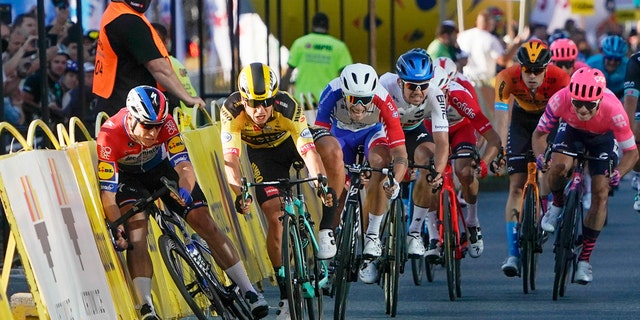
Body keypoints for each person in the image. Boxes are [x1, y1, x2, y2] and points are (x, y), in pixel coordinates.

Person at [97, 85, 269, 320]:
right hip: (129, 179)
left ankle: (248, 290)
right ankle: (145, 306)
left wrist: (185, 192)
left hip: (161, 169)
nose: (153, 134)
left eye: (157, 127)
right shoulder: (109, 134)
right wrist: (116, 224)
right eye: (147, 126)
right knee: (136, 232)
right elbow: (108, 194)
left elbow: (184, 166)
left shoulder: (167, 123)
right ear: (132, 117)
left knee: (204, 221)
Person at [220, 63, 337, 320]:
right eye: (253, 103)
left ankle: (324, 231)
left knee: (326, 157)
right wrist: (240, 193)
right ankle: (285, 293)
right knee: (275, 217)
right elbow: (231, 160)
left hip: (290, 144)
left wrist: (319, 182)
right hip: (263, 156)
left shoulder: (288, 106)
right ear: (242, 99)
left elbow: (308, 151)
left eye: (266, 102)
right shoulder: (231, 111)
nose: (260, 110)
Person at [533, 67, 638, 284]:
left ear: (599, 100)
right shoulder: (560, 99)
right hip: (571, 131)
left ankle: (584, 260)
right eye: (577, 103)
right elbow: (539, 134)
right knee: (558, 166)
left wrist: (619, 172)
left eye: (589, 105)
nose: (582, 109)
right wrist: (542, 157)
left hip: (603, 137)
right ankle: (558, 204)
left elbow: (632, 152)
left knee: (600, 192)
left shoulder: (614, 110)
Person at [315, 63, 408, 284]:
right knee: (337, 187)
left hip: (372, 135)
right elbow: (319, 137)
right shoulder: (331, 91)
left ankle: (372, 236)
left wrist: (395, 180)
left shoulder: (383, 99)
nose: (358, 106)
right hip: (341, 136)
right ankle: (330, 241)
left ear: (372, 95)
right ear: (344, 94)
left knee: (380, 163)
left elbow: (400, 152)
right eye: (353, 99)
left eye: (364, 100)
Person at [494, 40, 571, 277]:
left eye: (538, 70)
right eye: (527, 69)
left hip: (550, 121)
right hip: (521, 121)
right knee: (516, 185)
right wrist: (501, 150)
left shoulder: (560, 78)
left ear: (548, 68)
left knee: (547, 170)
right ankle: (513, 254)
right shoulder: (506, 77)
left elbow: (567, 117)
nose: (532, 75)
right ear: (520, 67)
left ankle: (546, 208)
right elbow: (501, 117)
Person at [424, 65, 502, 259]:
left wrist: (483, 163)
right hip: (431, 130)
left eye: (442, 94)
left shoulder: (461, 95)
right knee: (428, 176)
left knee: (465, 171)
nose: (438, 99)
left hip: (461, 130)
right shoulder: (419, 98)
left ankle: (472, 221)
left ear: (448, 89)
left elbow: (493, 138)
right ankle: (433, 235)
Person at [379, 49, 449, 259]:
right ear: (400, 82)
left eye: (423, 85)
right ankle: (372, 236)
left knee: (429, 163)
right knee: (378, 167)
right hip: (384, 131)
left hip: (413, 131)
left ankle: (415, 232)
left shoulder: (436, 94)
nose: (418, 91)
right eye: (412, 85)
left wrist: (438, 171)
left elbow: (442, 141)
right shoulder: (385, 85)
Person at [93, 0, 205, 116]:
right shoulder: (127, 20)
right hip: (135, 111)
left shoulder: (116, 14)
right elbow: (158, 67)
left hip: (124, 105)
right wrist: (187, 98)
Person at [457, 9, 526, 121]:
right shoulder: (490, 39)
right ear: (490, 24)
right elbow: (503, 60)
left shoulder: (462, 36)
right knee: (488, 118)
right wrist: (517, 44)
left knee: (470, 119)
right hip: (483, 83)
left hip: (464, 82)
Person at [280, 12, 353, 103]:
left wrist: (282, 96)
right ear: (328, 26)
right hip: (329, 100)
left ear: (313, 25)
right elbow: (347, 76)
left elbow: (288, 73)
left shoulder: (300, 43)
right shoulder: (339, 47)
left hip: (303, 99)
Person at [586, 35, 629, 99]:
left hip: (620, 95)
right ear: (603, 54)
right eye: (609, 58)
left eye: (617, 59)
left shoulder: (628, 66)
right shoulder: (591, 64)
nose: (612, 62)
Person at [623, 49, 640, 210]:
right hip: (639, 102)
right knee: (637, 129)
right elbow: (630, 103)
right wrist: (626, 135)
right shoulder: (636, 62)